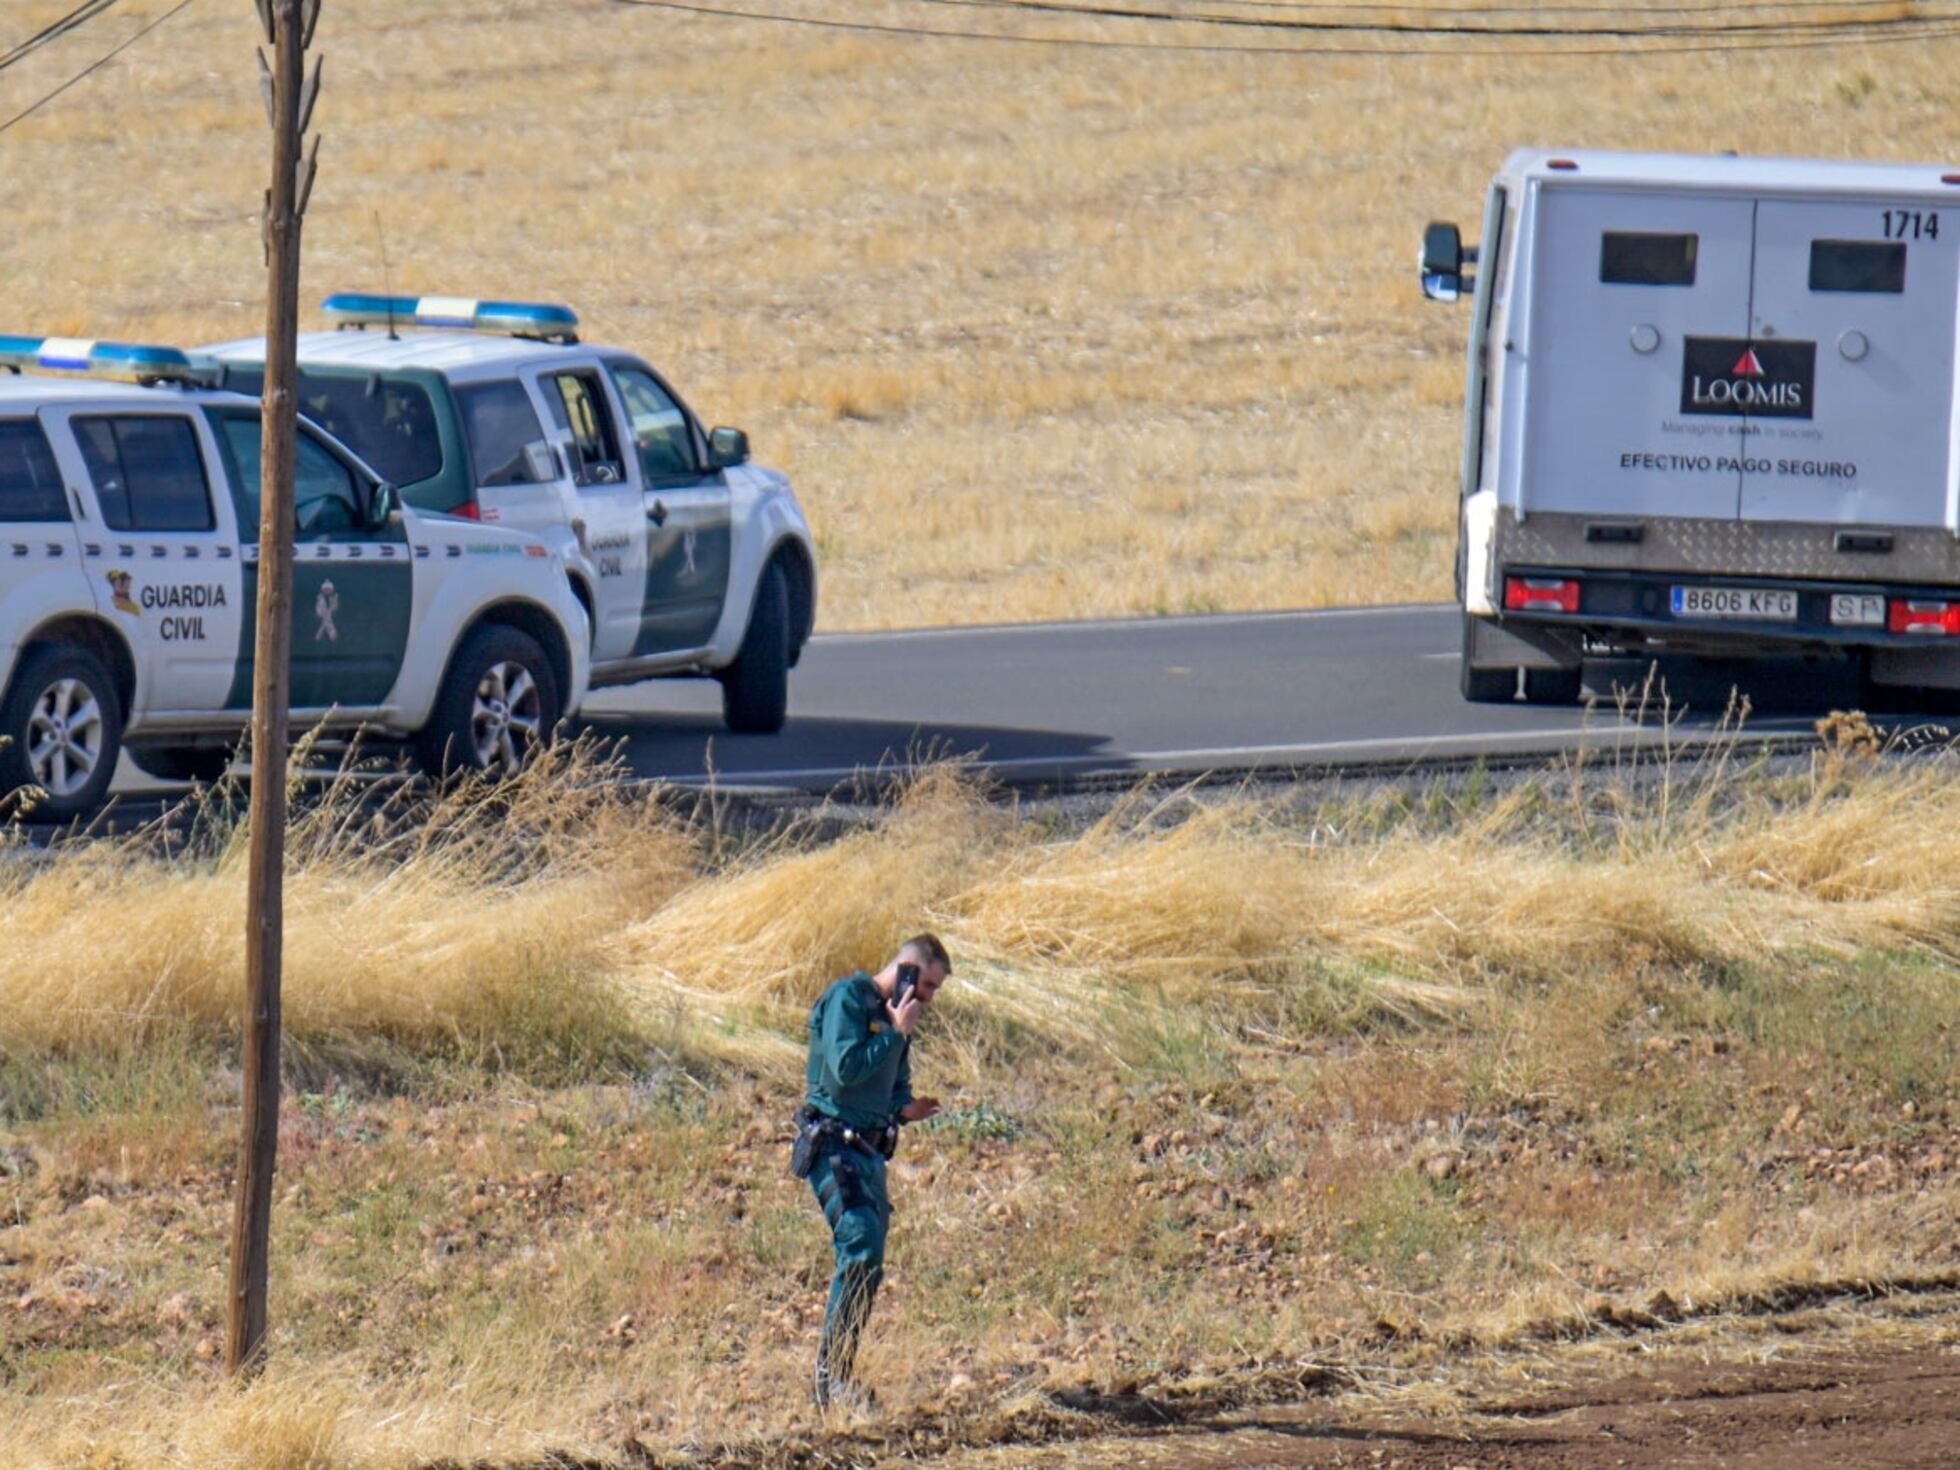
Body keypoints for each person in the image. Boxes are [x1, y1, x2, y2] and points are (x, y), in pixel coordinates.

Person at [794, 934, 950, 1411]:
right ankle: (831, 1380)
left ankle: (838, 1376)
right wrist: (895, 1035)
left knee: (870, 1260)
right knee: (859, 1243)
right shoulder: (848, 998)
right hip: (833, 1147)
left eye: (934, 989)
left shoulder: (895, 1017)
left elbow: (893, 1086)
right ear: (906, 967)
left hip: (867, 1153)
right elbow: (844, 1070)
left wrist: (908, 1107)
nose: (927, 996)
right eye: (925, 982)